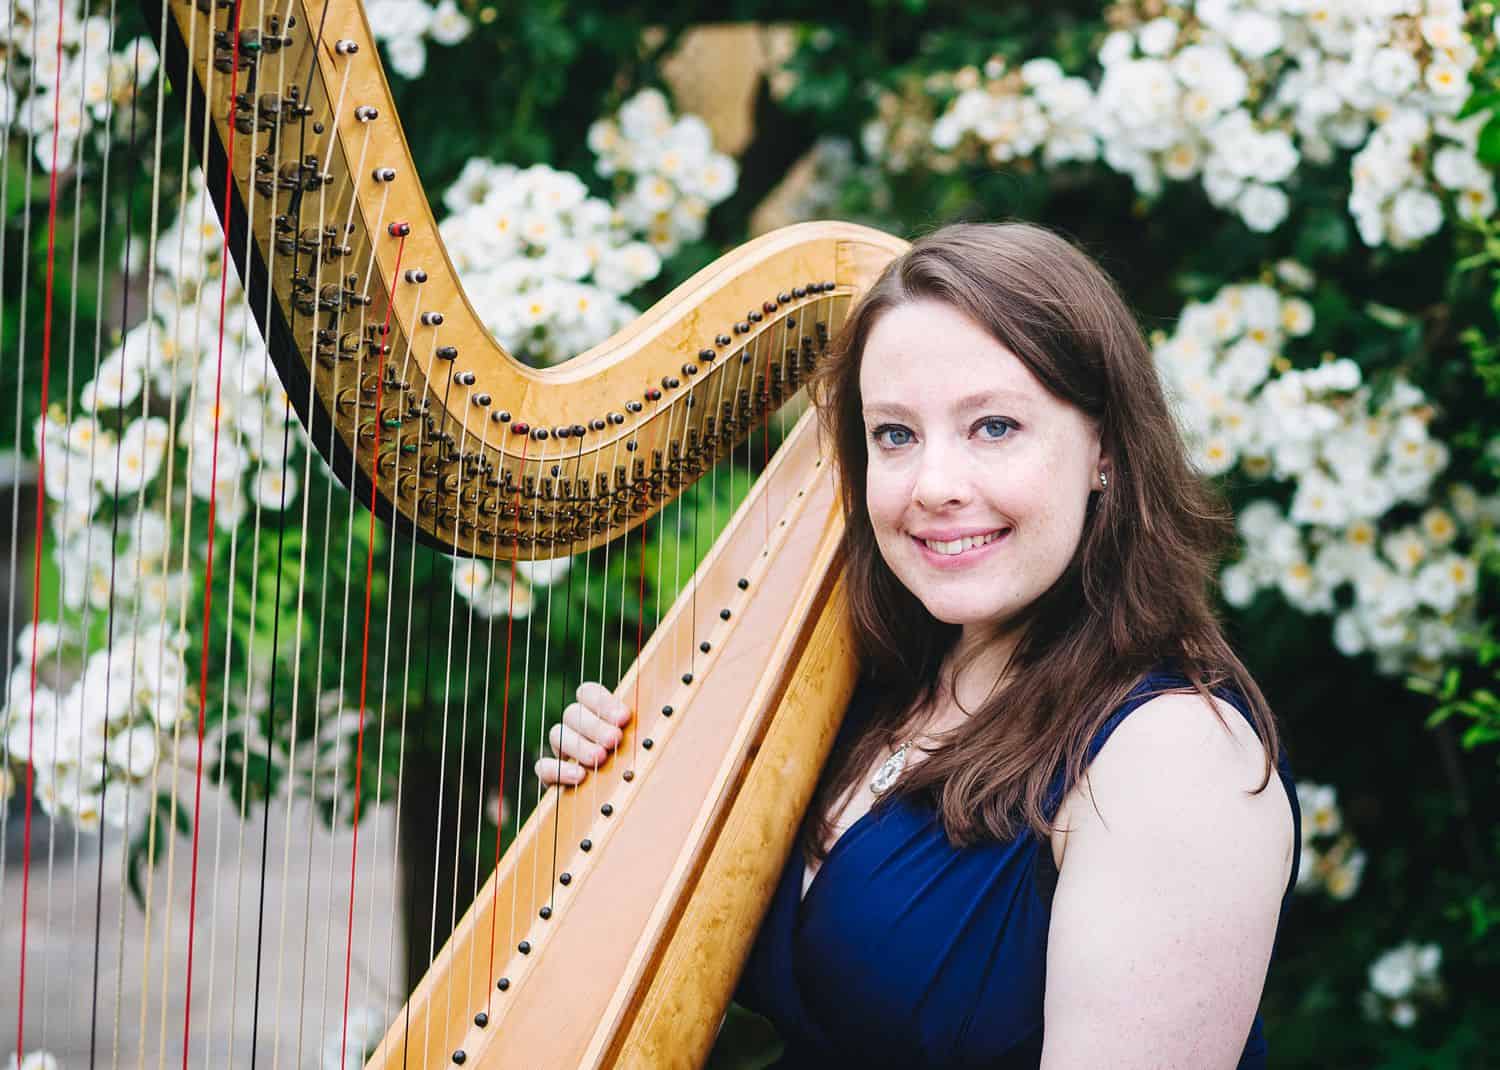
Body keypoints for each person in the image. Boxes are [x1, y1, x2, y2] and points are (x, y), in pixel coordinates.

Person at [537, 221, 1300, 1068]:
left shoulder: (1174, 757)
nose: (934, 486)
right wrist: (611, 802)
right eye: (895, 435)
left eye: (995, 427)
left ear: (1106, 450)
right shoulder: (867, 693)